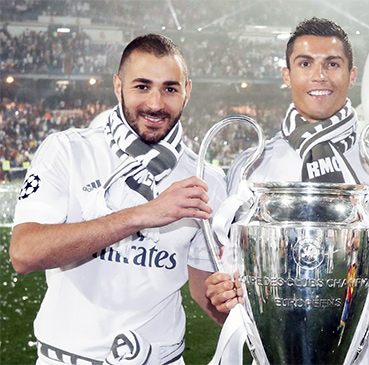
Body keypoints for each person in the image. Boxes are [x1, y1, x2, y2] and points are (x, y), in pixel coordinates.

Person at [205, 17, 369, 364]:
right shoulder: (252, 166)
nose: (319, 76)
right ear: (287, 74)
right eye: (305, 64)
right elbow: (230, 268)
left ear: (351, 75)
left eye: (332, 64)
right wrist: (221, 289)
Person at [10, 34, 227, 364]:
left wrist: (234, 306)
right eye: (142, 86)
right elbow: (24, 253)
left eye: (170, 88)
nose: (155, 103)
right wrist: (142, 214)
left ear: (187, 92)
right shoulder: (68, 150)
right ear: (117, 86)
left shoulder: (206, 179)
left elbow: (205, 292)